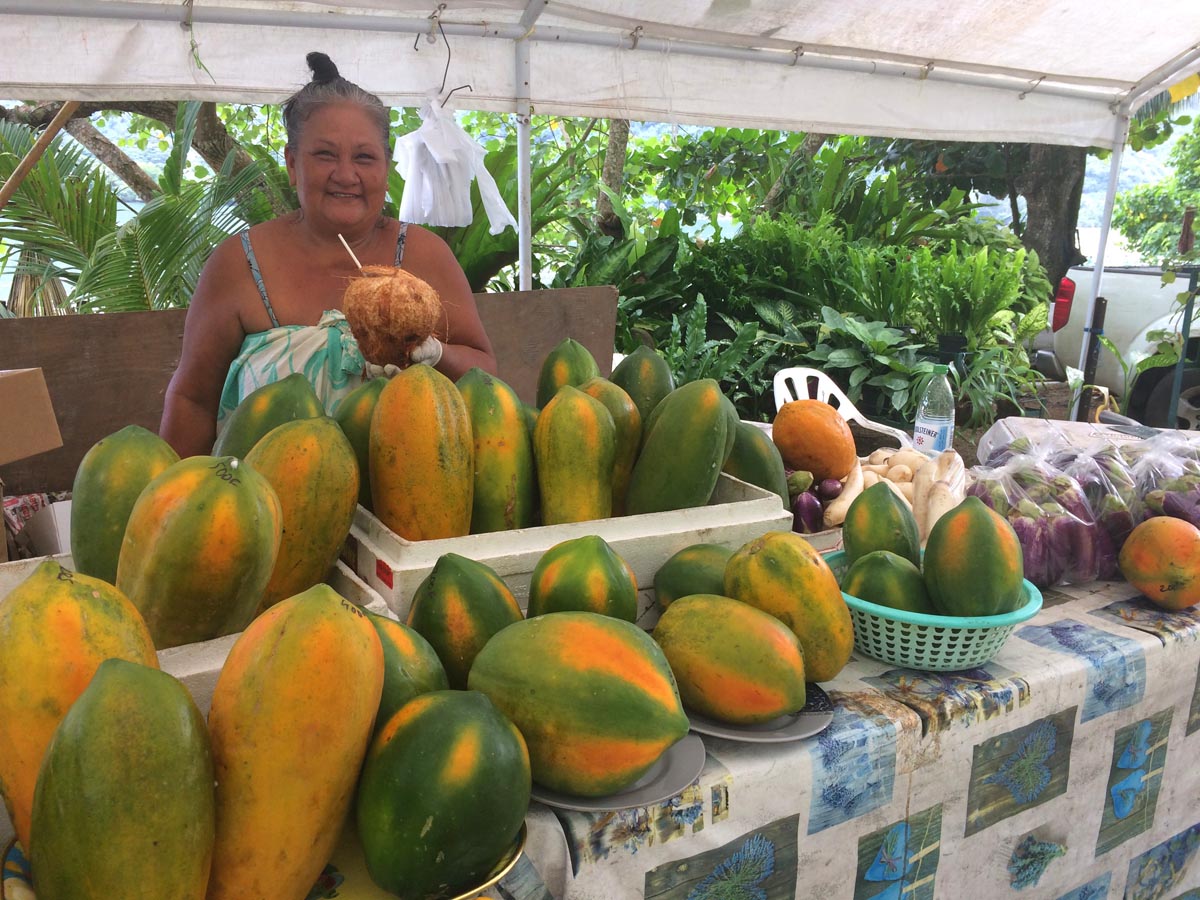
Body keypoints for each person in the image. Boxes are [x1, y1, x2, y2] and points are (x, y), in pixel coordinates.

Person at [160, 52, 497, 458]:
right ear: (292, 164)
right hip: (259, 510)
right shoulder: (239, 264)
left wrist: (435, 355)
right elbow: (192, 401)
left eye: (364, 157)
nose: (345, 174)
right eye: (324, 155)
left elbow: (484, 375)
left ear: (386, 168)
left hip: (404, 510)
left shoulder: (426, 256)